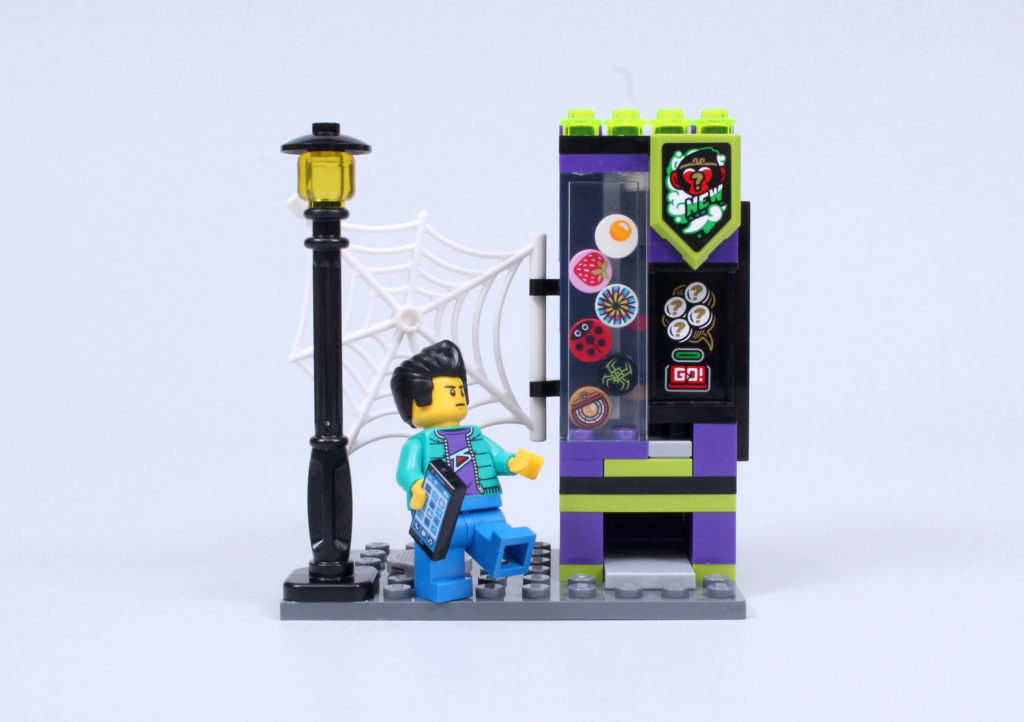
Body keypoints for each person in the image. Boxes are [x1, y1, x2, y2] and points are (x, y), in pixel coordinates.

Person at [390, 340, 543, 602]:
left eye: (461, 390)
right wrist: (416, 485)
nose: (459, 397)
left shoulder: (474, 435)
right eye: (451, 391)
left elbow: (496, 457)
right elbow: (406, 471)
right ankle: (442, 583)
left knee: (499, 540)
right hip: (438, 515)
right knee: (440, 555)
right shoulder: (418, 443)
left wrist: (513, 463)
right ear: (417, 399)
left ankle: (504, 557)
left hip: (485, 510)